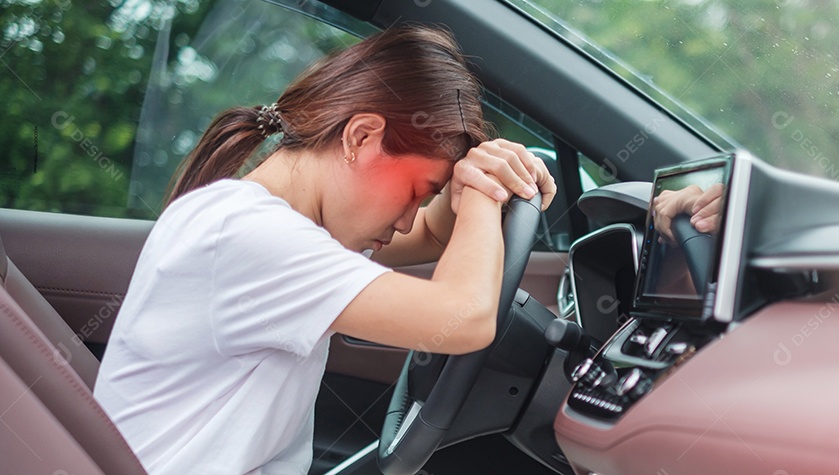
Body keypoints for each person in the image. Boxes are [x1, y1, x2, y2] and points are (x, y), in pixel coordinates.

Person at [92, 25, 556, 474]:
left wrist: (486, 176)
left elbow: (434, 236)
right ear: (360, 137)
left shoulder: (268, 222)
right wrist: (482, 193)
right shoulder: (252, 235)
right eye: (417, 190)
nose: (408, 219)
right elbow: (467, 318)